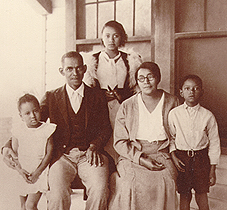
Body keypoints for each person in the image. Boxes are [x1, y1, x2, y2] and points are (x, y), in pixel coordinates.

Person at [2, 51, 112, 210]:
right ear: (62, 71)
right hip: (62, 156)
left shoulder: (97, 96)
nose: (74, 73)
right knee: (57, 193)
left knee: (100, 189)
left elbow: (105, 128)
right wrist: (7, 145)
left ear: (85, 69)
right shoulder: (52, 97)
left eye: (78, 68)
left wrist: (94, 146)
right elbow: (33, 124)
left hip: (89, 155)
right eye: (69, 69)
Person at [108, 62, 179, 210]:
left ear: (158, 78)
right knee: (131, 184)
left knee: (166, 181)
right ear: (137, 82)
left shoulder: (172, 101)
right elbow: (120, 142)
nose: (146, 82)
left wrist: (172, 153)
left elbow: (177, 135)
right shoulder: (127, 105)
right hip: (133, 156)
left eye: (150, 77)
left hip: (162, 153)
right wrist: (141, 158)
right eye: (141, 78)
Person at [83, 20, 142, 161]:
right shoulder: (93, 60)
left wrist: (120, 96)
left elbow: (136, 89)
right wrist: (102, 96)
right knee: (104, 142)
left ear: (121, 37)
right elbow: (87, 90)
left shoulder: (130, 60)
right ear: (102, 37)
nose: (111, 40)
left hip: (123, 108)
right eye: (107, 35)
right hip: (100, 109)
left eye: (115, 36)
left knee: (122, 140)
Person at [168, 75, 221, 210]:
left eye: (196, 88)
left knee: (202, 195)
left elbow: (214, 143)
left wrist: (212, 170)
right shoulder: (174, 114)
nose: (191, 92)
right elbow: (171, 138)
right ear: (181, 92)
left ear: (201, 92)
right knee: (184, 196)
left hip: (201, 159)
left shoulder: (207, 115)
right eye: (187, 88)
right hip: (182, 159)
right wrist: (173, 156)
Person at [10, 94, 56, 210]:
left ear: (40, 110)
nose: (33, 116)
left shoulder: (47, 130)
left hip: (39, 171)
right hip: (23, 171)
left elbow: (48, 155)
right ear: (21, 116)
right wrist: (20, 171)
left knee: (30, 205)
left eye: (35, 111)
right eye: (27, 113)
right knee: (23, 206)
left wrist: (37, 173)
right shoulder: (18, 130)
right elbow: (15, 155)